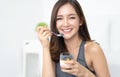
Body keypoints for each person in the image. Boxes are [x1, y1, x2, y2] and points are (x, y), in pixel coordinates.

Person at [36, 0, 110, 77]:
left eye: (71, 17)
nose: (65, 24)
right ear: (55, 23)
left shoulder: (93, 49)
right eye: (59, 19)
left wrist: (84, 73)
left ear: (81, 20)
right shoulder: (54, 50)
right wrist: (45, 46)